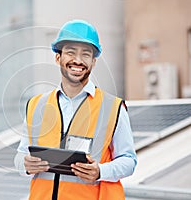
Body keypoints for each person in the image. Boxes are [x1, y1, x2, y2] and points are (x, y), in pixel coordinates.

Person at [14, 19, 137, 200]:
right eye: (71, 52)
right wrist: (25, 165)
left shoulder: (113, 108)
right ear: (58, 58)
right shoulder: (36, 105)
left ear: (93, 62)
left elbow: (129, 161)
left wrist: (100, 171)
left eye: (86, 54)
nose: (78, 61)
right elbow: (21, 155)